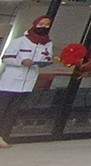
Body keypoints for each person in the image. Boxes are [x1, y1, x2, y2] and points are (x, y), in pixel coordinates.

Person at [0, 16, 53, 148]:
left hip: (27, 83)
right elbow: (6, 58)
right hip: (10, 82)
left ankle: (4, 136)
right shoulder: (20, 41)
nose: (44, 27)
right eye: (41, 24)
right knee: (2, 109)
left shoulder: (47, 43)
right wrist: (21, 61)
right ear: (35, 24)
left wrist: (44, 62)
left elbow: (47, 57)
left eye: (47, 25)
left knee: (13, 112)